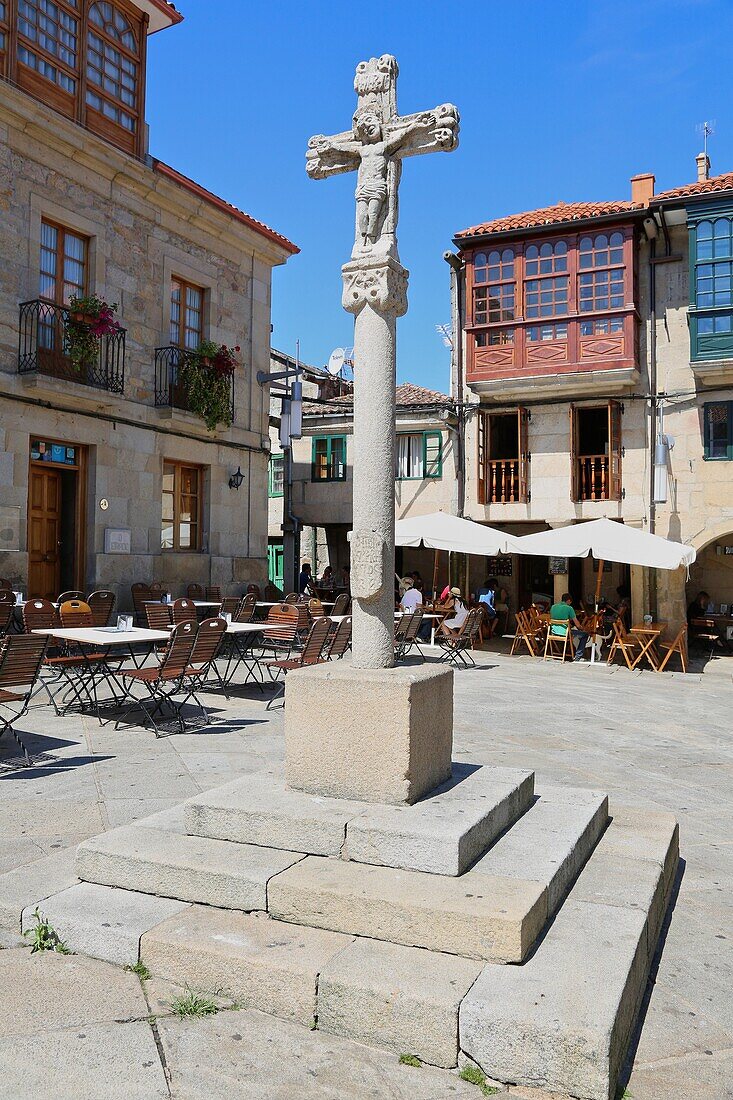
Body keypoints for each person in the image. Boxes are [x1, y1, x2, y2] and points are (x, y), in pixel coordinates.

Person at [548, 592, 588, 661]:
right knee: (585, 635)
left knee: (572, 631)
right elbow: (578, 625)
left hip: (553, 632)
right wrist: (583, 628)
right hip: (565, 634)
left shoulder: (553, 607)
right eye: (570, 602)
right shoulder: (569, 608)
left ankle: (564, 652)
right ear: (569, 601)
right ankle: (578, 656)